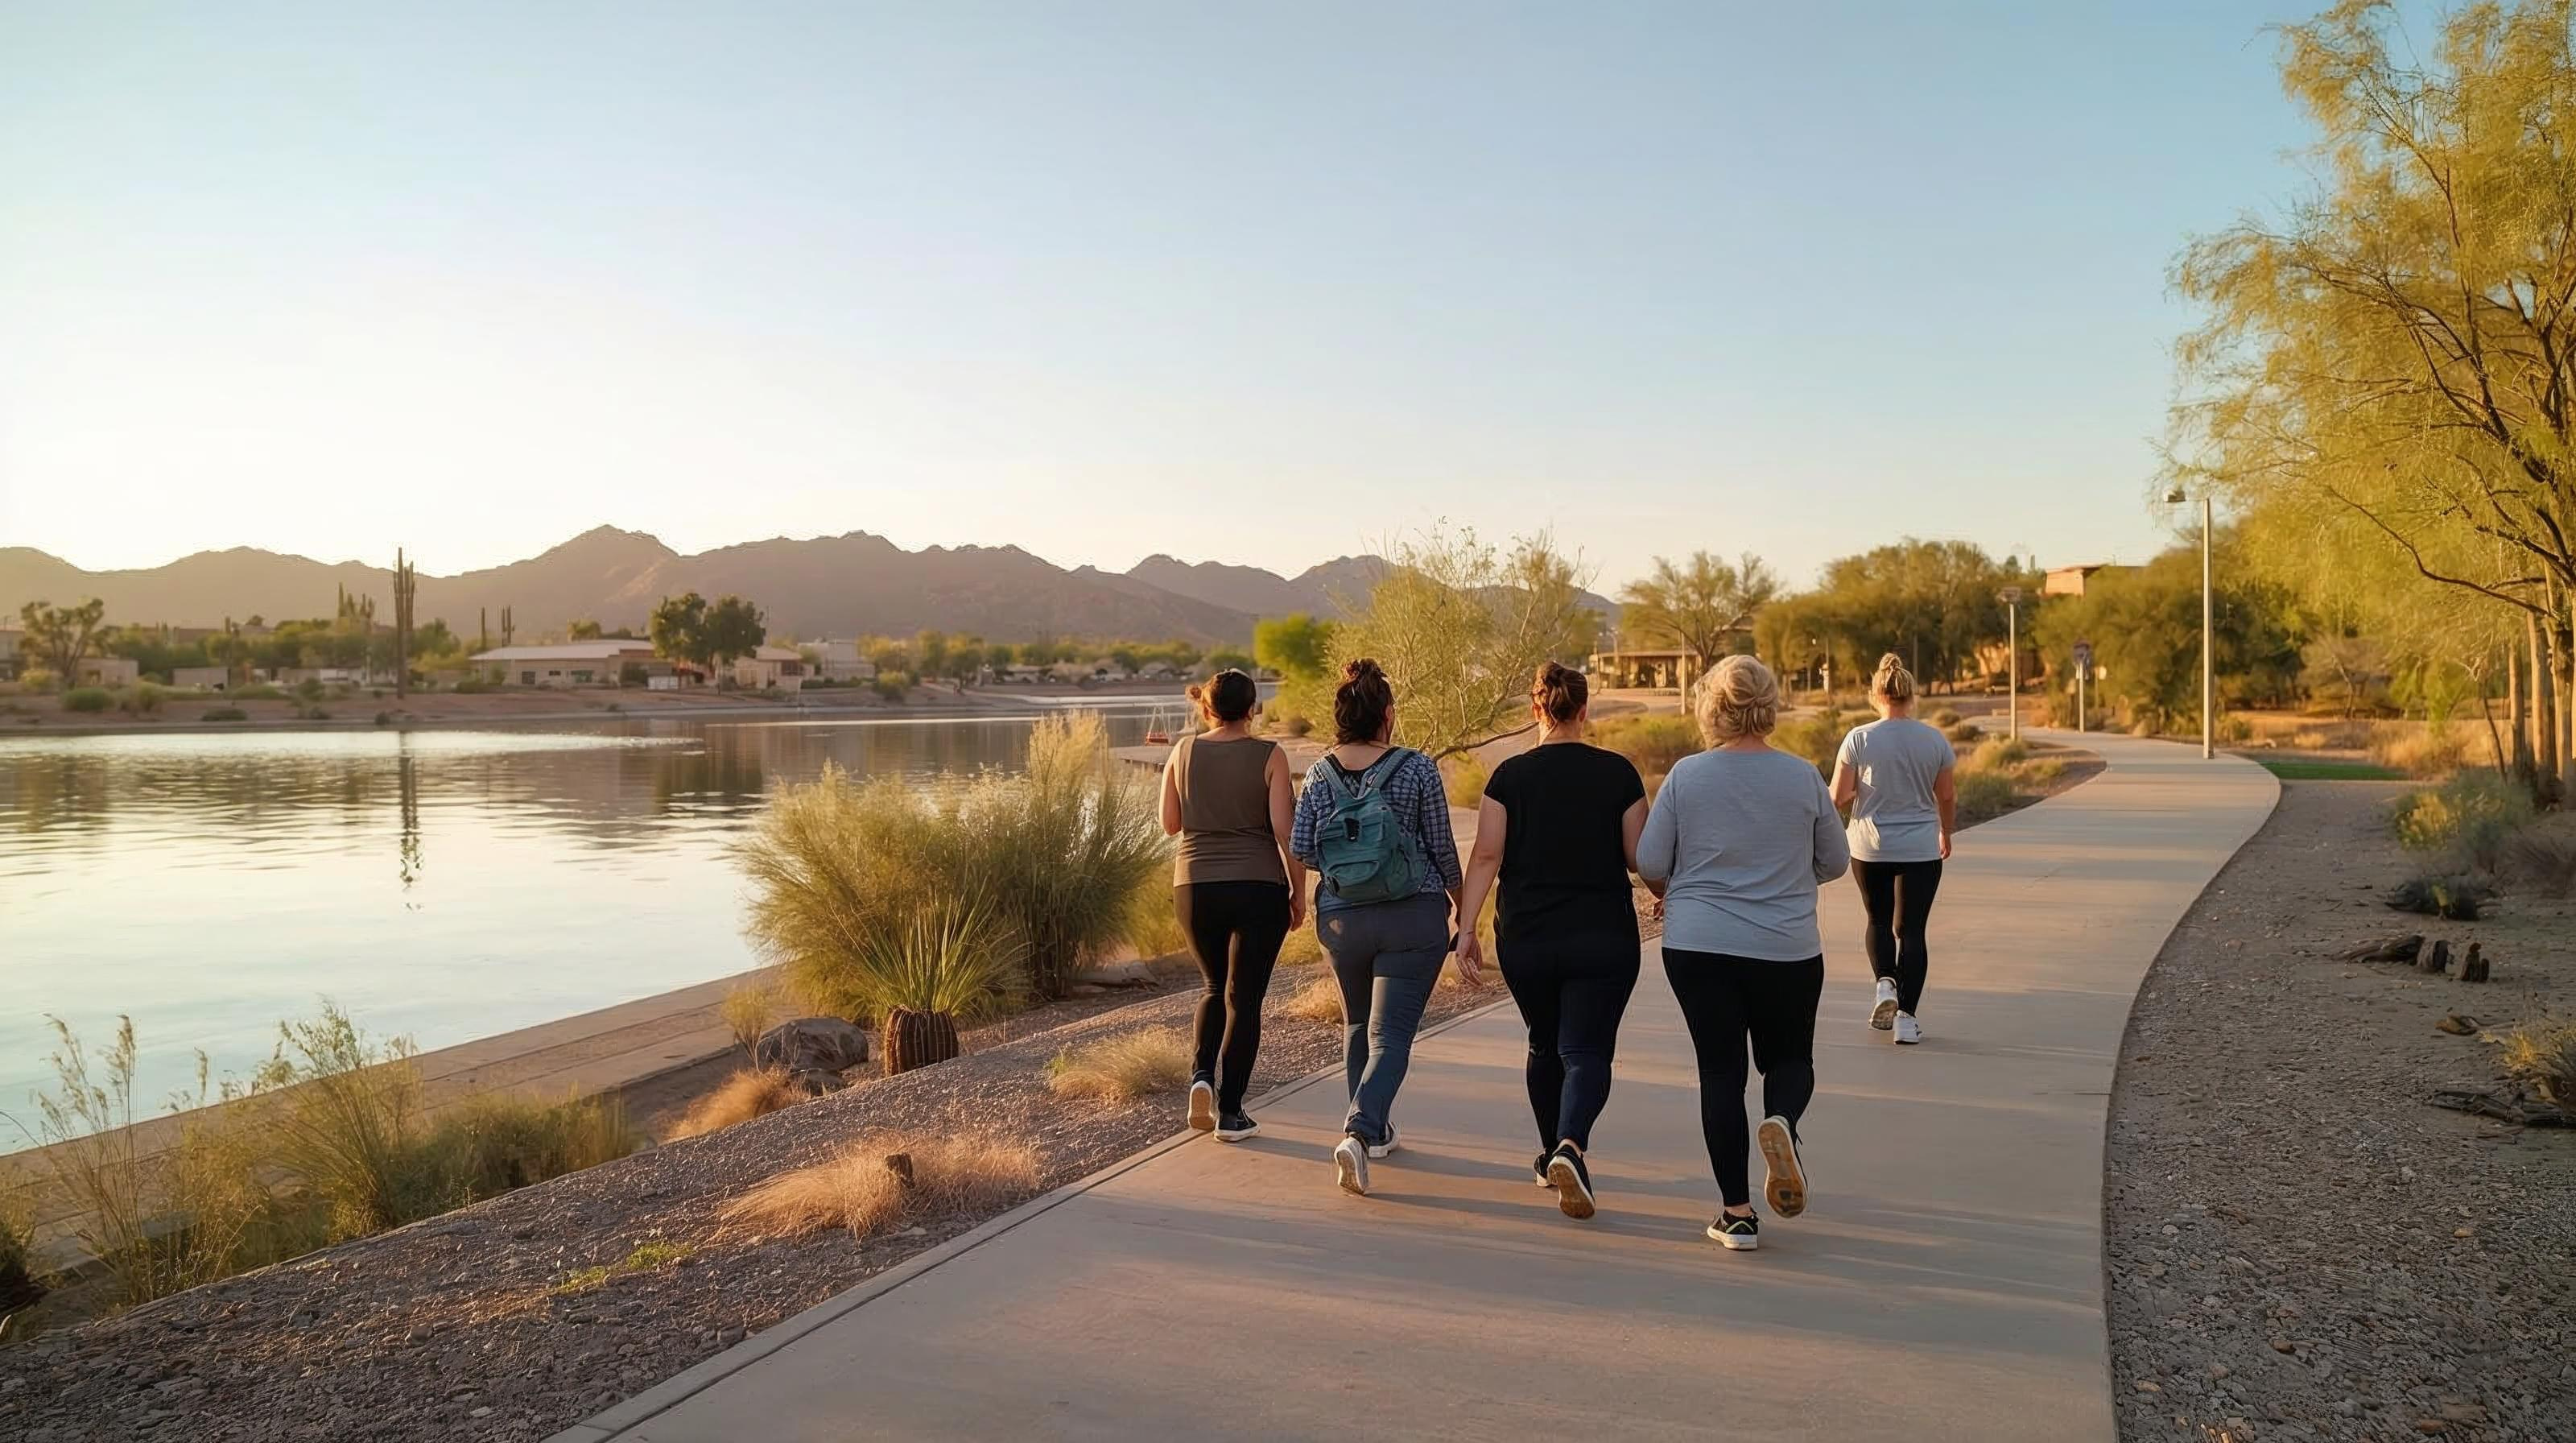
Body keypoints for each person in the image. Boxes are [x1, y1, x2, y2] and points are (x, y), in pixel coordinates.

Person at [1637, 655, 1849, 1251]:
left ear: (1713, 707)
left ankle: (1737, 1215)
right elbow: (1834, 861)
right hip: (1786, 946)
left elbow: (1652, 863)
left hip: (1699, 945)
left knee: (1720, 1073)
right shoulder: (1803, 776)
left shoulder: (1686, 776)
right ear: (1769, 704)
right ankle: (1781, 1120)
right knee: (1789, 1060)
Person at [1455, 663, 1647, 1221]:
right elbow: (1641, 858)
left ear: (1535, 710)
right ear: (1585, 711)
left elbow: (1487, 855)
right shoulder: (1619, 774)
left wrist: (1465, 929)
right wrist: (1667, 888)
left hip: (1528, 938)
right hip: (1603, 935)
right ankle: (1571, 1145)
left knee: (1543, 1042)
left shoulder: (1509, 778)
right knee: (1586, 1051)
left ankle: (1548, 1156)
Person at [1289, 657, 1464, 1197]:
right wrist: (1465, 910)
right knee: (1391, 1037)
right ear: (1387, 714)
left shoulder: (1318, 774)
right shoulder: (1417, 768)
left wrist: (1351, 861)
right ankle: (1361, 1132)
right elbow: (1441, 846)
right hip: (1414, 914)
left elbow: (1301, 848)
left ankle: (1376, 1130)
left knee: (1357, 1025)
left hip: (1343, 920)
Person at [1160, 668, 1306, 1142]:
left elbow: (1169, 824)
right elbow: (1286, 833)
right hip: (1257, 886)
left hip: (1195, 885)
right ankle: (1231, 1113)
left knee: (1211, 986)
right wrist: (1298, 892)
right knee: (1245, 1000)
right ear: (1253, 709)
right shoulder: (1271, 755)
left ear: (1206, 707)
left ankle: (1201, 1077)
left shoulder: (1182, 751)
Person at [1829, 652, 1956, 1047]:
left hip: (1868, 846)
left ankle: (1885, 982)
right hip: (1920, 846)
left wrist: (1860, 795)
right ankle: (1906, 1019)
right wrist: (1945, 833)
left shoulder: (1859, 738)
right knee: (1912, 930)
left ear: (1876, 694)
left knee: (1878, 921)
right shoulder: (1934, 739)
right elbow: (1947, 796)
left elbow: (1837, 796)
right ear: (1910, 695)